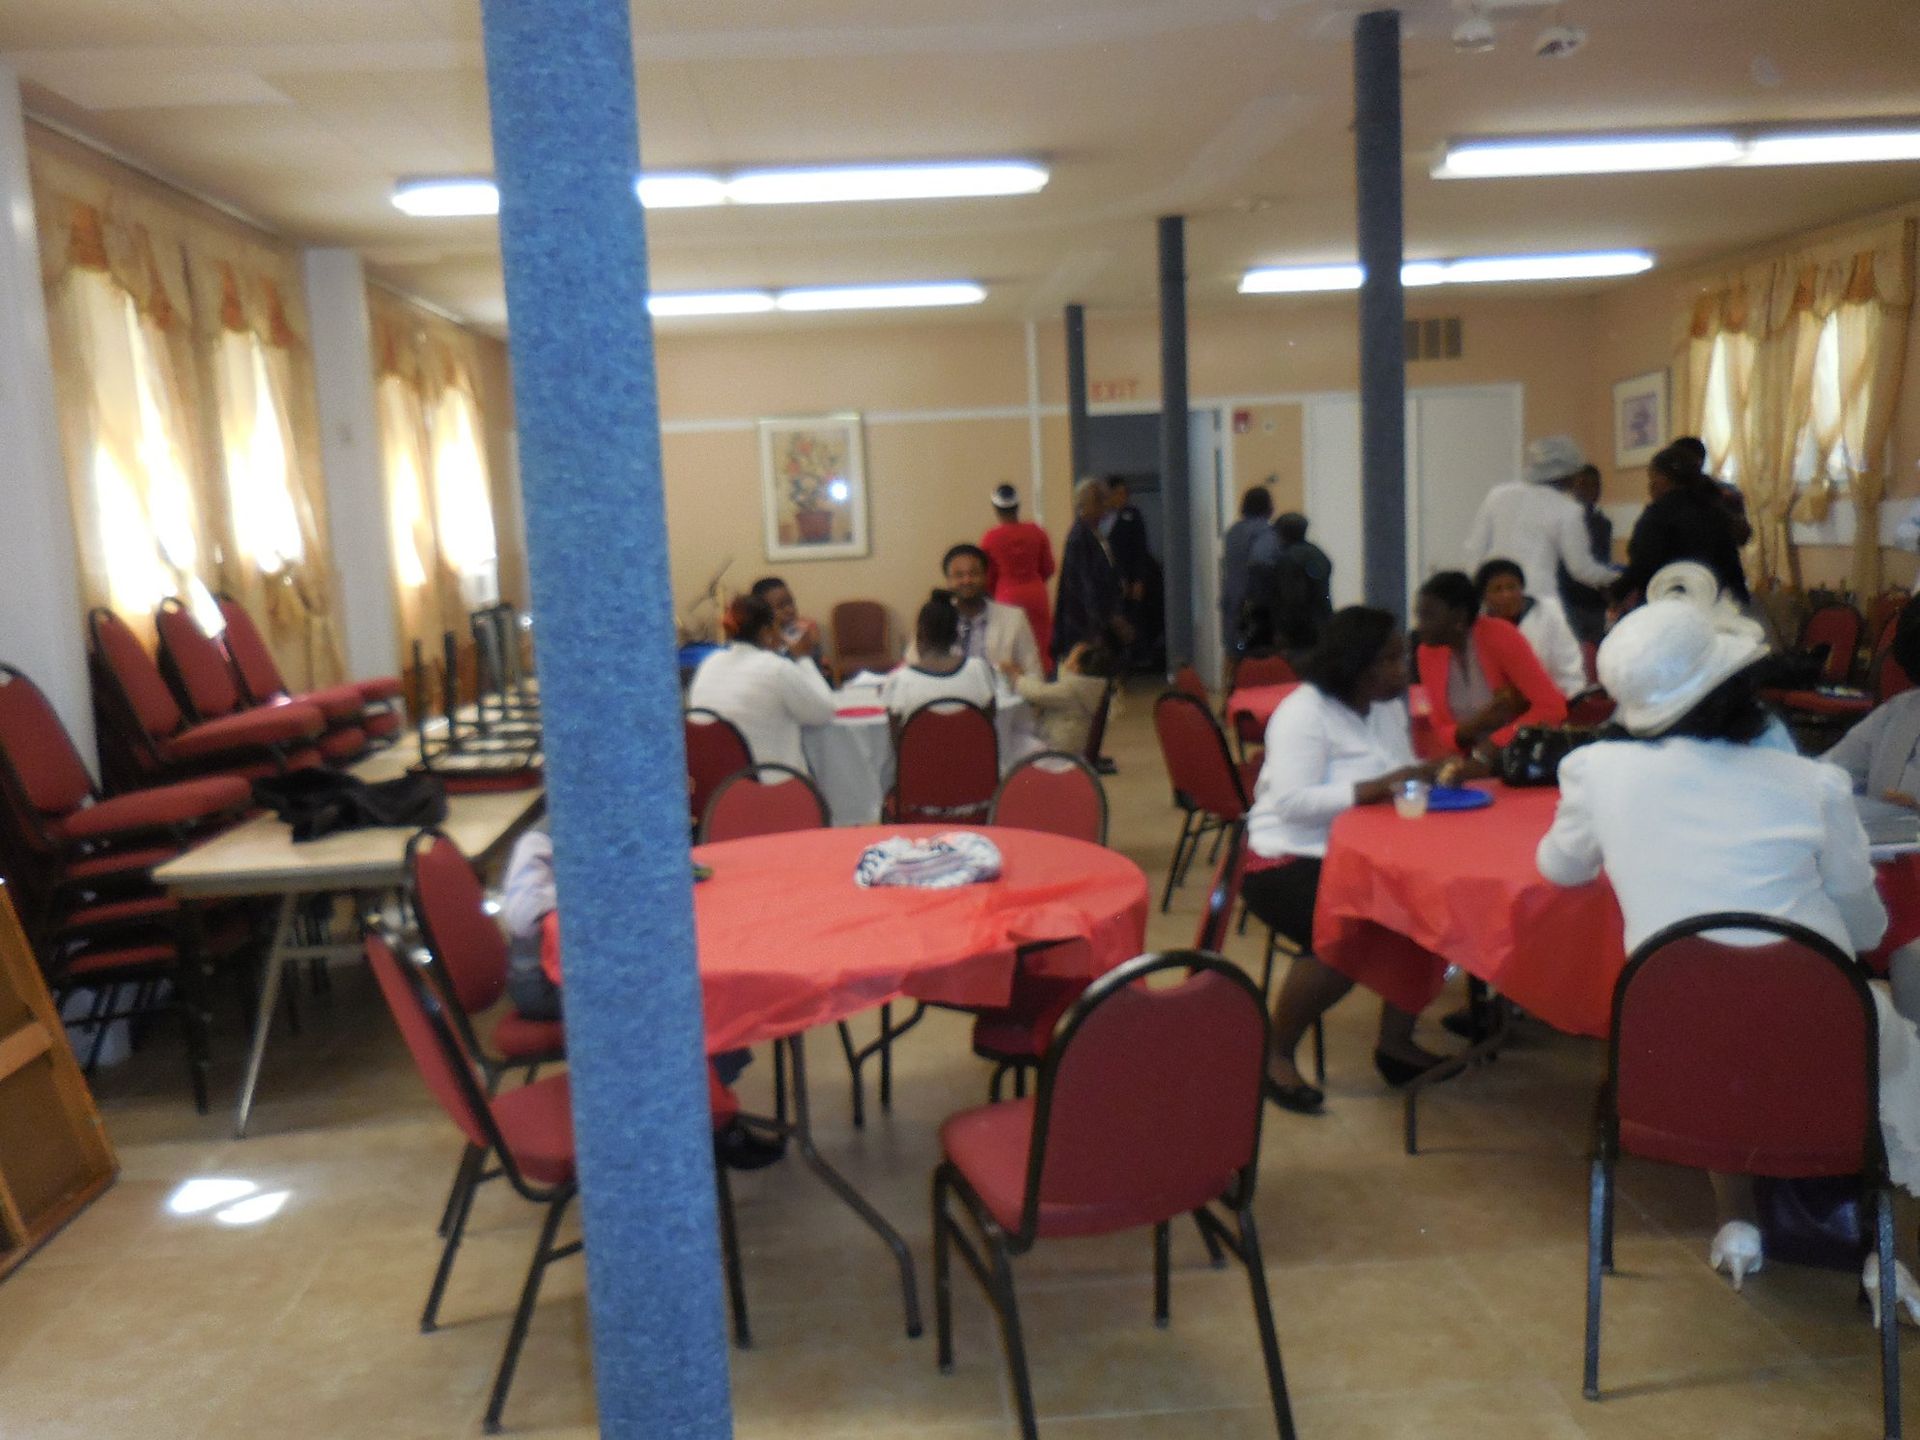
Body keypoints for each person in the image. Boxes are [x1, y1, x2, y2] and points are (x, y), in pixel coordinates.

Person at [1537, 581, 1920, 1312]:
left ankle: (1736, 1223)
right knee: (1889, 1042)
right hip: (1817, 1042)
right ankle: (1885, 1252)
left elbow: (1558, 867)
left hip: (1667, 1049)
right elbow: (1868, 932)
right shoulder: (1814, 785)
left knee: (1712, 1019)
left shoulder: (1596, 771)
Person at [1242, 607, 1466, 1114]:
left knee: (1427, 908)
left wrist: (1428, 776)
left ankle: (1395, 1045)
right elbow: (1291, 805)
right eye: (1390, 660)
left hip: (1365, 853)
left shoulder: (1386, 706)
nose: (1402, 669)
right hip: (1287, 856)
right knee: (1346, 936)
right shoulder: (1304, 713)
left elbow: (1396, 772)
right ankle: (1275, 1053)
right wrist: (1378, 787)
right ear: (1355, 665)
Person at [498, 825, 783, 1170]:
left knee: (696, 987)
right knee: (677, 1004)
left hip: (590, 968)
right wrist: (595, 892)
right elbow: (521, 912)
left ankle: (703, 1108)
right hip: (544, 984)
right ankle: (709, 1124)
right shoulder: (538, 842)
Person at [1413, 571, 1568, 758]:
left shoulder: (1500, 635)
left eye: (1429, 617)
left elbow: (1551, 708)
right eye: (1419, 616)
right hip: (1464, 760)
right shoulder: (1427, 652)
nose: (1420, 626)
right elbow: (1439, 728)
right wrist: (1475, 727)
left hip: (1516, 756)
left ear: (1459, 617)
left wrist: (1496, 743)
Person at [1462, 435, 1620, 604]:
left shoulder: (1498, 495)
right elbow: (1581, 569)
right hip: (1538, 599)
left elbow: (1474, 550)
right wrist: (1619, 576)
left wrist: (1479, 591)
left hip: (1496, 597)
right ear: (1568, 473)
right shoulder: (1567, 509)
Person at [687, 593, 836, 772]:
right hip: (770, 784)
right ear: (767, 631)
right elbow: (823, 711)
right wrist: (803, 658)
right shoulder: (776, 668)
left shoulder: (710, 663)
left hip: (719, 786)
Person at [1611, 440, 1749, 609]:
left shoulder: (1658, 514)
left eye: (1653, 478)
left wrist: (1614, 594)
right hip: (1723, 602)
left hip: (1676, 605)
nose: (1651, 486)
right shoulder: (1716, 508)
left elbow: (1642, 566)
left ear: (1663, 479)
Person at [906, 543, 1040, 676]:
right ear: (948, 580)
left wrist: (1015, 676)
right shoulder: (935, 617)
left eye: (974, 573)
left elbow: (1034, 674)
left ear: (986, 577)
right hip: (946, 694)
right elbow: (913, 664)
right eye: (959, 575)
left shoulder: (1013, 618)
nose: (967, 580)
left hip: (998, 695)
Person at [1475, 558, 1589, 699]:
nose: (1507, 595)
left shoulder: (1549, 614)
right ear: (1484, 597)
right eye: (1497, 589)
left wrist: (1571, 702)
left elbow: (1568, 666)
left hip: (1553, 700)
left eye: (1512, 587)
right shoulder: (1478, 629)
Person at [883, 591, 998, 720]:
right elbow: (989, 726)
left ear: (919, 635)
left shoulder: (898, 681)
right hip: (972, 740)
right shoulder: (979, 670)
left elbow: (898, 738)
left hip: (922, 740)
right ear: (956, 634)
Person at [980, 484, 1056, 672]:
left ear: (995, 508)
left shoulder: (990, 538)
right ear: (1018, 506)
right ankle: (1043, 684)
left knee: (1010, 645)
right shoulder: (1037, 532)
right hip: (1036, 594)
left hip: (1006, 595)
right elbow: (1049, 568)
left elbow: (986, 577)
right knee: (1041, 644)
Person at [1053, 477, 1127, 662]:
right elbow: (1084, 587)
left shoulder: (1096, 533)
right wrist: (1101, 625)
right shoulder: (1080, 536)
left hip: (1100, 620)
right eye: (1100, 501)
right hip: (1085, 626)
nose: (1105, 506)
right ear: (1085, 504)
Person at [1012, 632, 1116, 756]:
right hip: (1071, 745)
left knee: (1015, 738)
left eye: (1069, 657)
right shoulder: (1089, 689)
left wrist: (1017, 678)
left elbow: (1038, 693)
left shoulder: (1071, 689)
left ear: (1076, 668)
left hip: (1057, 748)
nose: (1064, 661)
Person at [1105, 477, 1163, 669]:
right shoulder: (1104, 518)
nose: (1123, 498)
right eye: (1118, 494)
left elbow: (1140, 547)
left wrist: (1139, 578)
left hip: (1133, 574)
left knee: (1136, 616)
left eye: (1125, 494)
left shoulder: (1133, 515)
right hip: (1113, 577)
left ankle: (1139, 658)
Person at [1556, 464, 1613, 646]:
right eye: (1583, 485)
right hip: (1569, 598)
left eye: (1595, 485)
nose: (1589, 490)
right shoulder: (1561, 521)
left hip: (1596, 600)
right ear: (1573, 488)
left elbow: (1603, 560)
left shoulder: (1603, 523)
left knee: (1599, 647)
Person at [1221, 486, 1281, 656]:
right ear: (1269, 507)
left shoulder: (1233, 532)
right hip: (1255, 606)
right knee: (1259, 661)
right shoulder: (1265, 532)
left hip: (1232, 601)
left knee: (1235, 656)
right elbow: (1261, 560)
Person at [1269, 512, 1334, 652]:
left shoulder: (1289, 559)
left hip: (1299, 633)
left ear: (1282, 534)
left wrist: (1282, 631)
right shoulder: (1319, 554)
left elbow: (1292, 599)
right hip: (1323, 625)